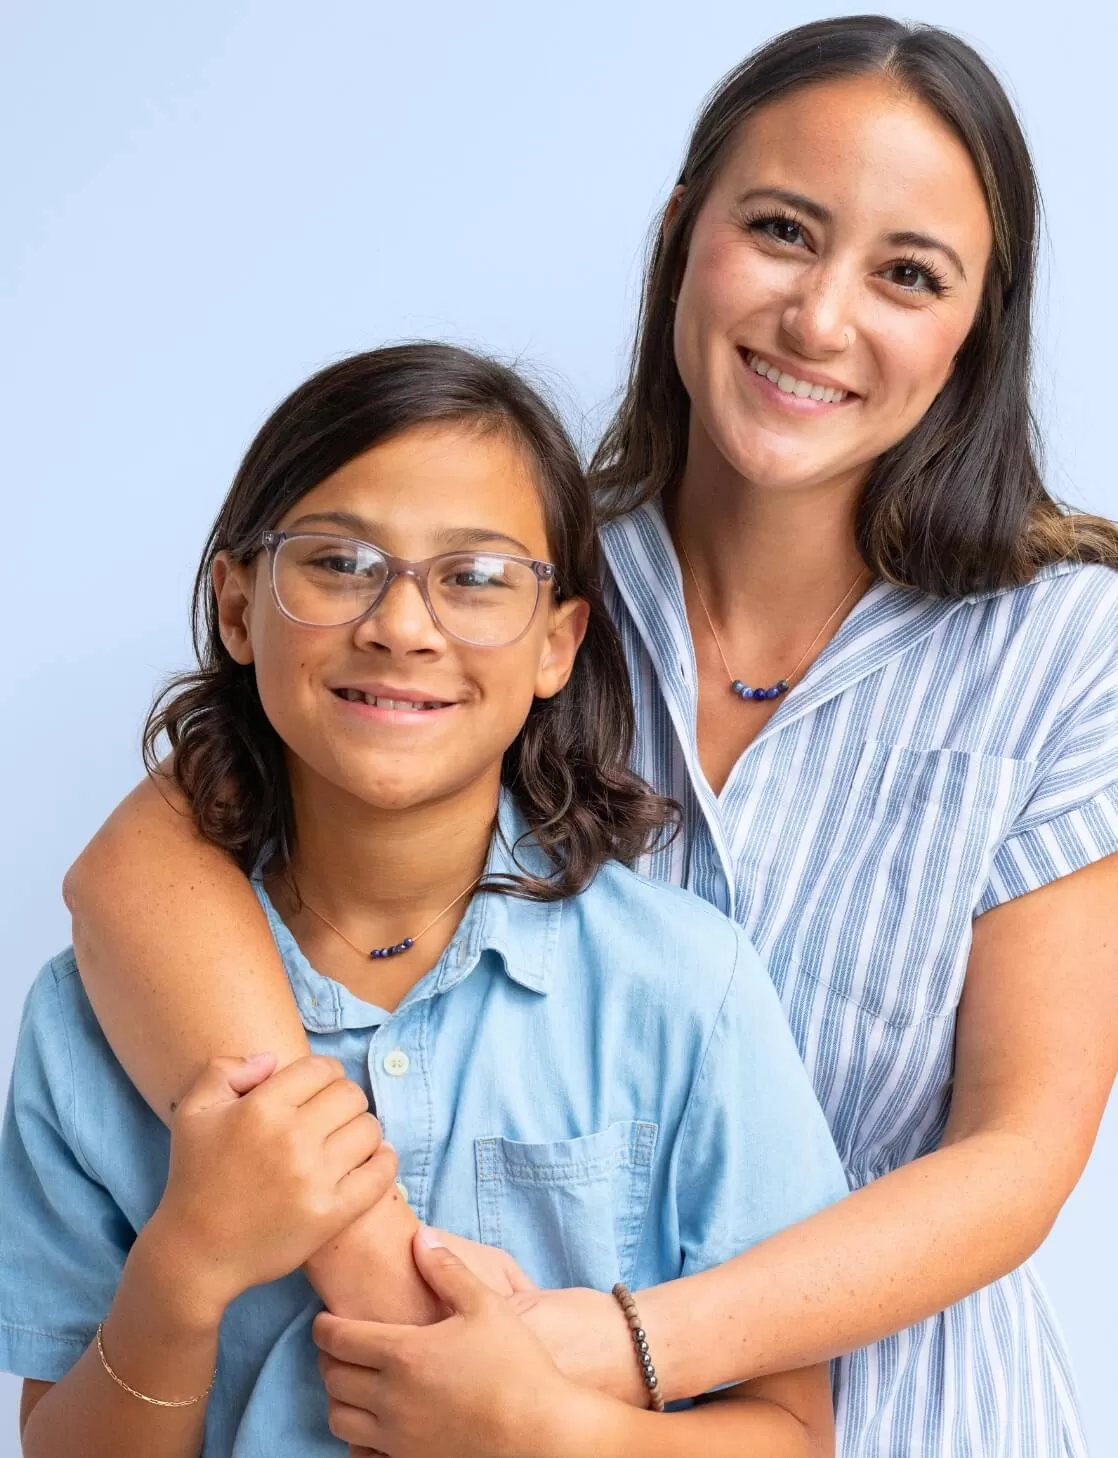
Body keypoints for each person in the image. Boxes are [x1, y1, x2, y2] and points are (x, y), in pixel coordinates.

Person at [58, 14, 1118, 1458]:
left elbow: (1016, 1152)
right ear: (684, 233)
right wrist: (376, 1276)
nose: (819, 318)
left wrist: (600, 1364)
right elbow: (147, 861)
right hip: (444, 1378)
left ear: (976, 324)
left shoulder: (1065, 645)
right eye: (780, 230)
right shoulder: (506, 586)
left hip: (908, 1408)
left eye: (907, 274)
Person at [0, 344, 848, 1458]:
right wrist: (185, 1268)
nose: (401, 624)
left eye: (476, 576)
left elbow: (790, 1433)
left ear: (557, 643)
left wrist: (547, 1434)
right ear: (239, 604)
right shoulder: (89, 1017)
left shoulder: (685, 990)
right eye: (340, 562)